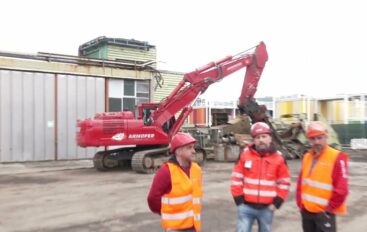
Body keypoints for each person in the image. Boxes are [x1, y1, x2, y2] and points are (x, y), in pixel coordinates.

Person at [230, 122, 291, 232]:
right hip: (246, 206)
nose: (261, 140)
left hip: (267, 208)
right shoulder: (244, 155)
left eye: (264, 136)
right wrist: (239, 200)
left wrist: (276, 203)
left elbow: (284, 183)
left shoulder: (279, 158)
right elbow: (236, 177)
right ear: (254, 140)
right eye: (257, 137)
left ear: (270, 138)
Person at [296, 121, 349, 232]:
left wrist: (329, 209)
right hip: (307, 211)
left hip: (324, 212)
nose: (316, 142)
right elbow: (301, 182)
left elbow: (342, 189)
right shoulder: (307, 157)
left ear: (326, 137)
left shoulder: (337, 157)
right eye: (313, 139)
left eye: (320, 138)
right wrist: (300, 203)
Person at [147, 132, 203, 232]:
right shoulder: (166, 171)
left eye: (193, 147)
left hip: (193, 225)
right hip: (175, 228)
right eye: (189, 148)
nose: (193, 151)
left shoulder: (196, 169)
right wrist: (165, 212)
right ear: (178, 151)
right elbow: (152, 198)